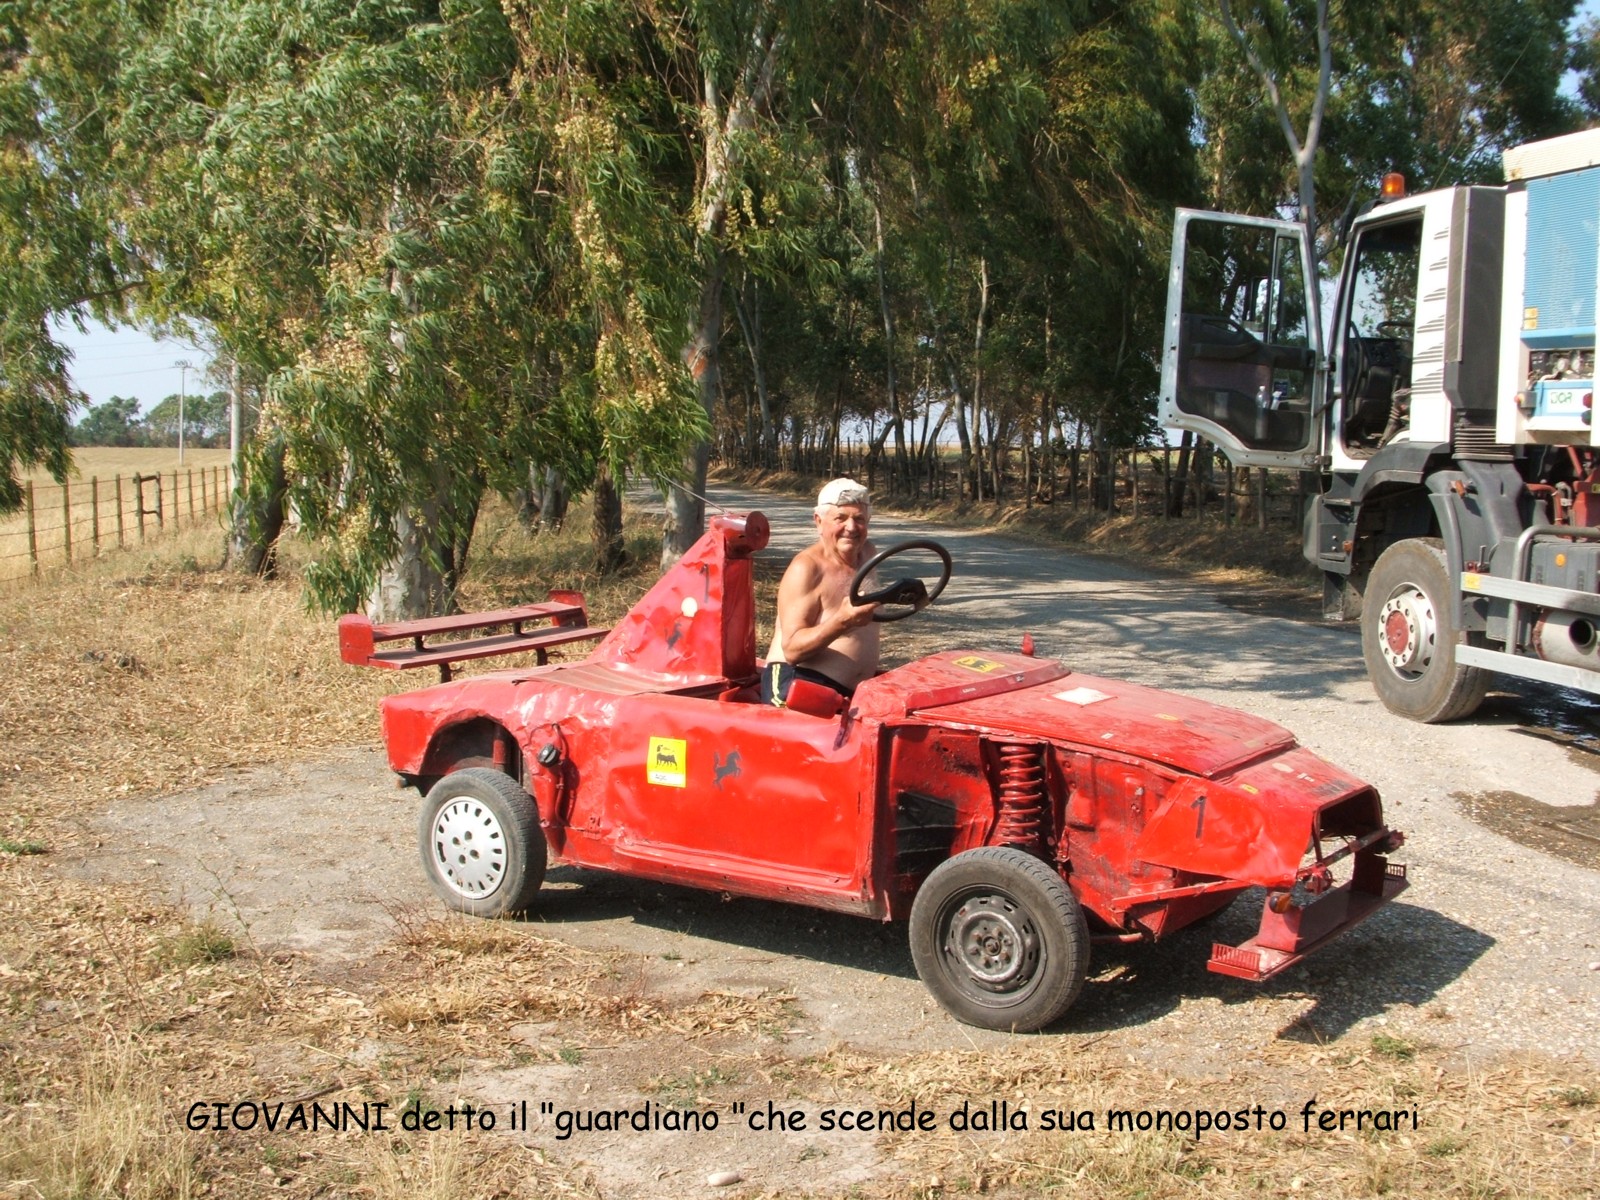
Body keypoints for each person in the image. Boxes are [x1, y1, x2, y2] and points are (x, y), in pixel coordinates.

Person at [762, 478, 880, 706]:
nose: (851, 527)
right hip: (796, 685)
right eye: (841, 518)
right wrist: (841, 622)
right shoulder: (806, 567)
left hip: (849, 692)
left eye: (859, 518)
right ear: (819, 521)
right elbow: (793, 650)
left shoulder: (868, 553)